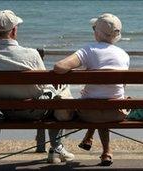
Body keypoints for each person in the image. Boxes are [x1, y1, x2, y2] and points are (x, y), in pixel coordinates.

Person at [0, 10, 74, 163]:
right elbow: (46, 85)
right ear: (14, 30)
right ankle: (56, 147)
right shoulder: (31, 54)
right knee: (60, 91)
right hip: (36, 113)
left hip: (6, 113)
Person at [53, 13, 129, 166]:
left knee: (95, 103)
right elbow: (122, 87)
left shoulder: (89, 50)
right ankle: (106, 151)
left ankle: (91, 138)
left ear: (98, 32)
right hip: (116, 113)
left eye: (94, 28)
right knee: (105, 101)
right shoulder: (124, 55)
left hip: (88, 114)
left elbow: (59, 67)